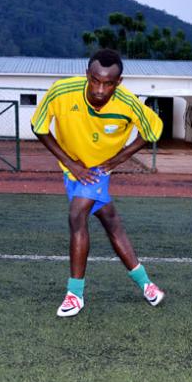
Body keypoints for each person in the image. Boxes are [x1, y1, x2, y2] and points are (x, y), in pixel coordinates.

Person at [30, 48, 165, 317]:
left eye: (108, 83)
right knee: (112, 223)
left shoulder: (128, 103)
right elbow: (38, 126)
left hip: (97, 172)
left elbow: (153, 130)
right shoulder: (61, 91)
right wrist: (69, 163)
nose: (100, 89)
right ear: (87, 75)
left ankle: (75, 294)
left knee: (77, 214)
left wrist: (118, 159)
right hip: (73, 171)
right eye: (95, 80)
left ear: (119, 82)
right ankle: (147, 285)